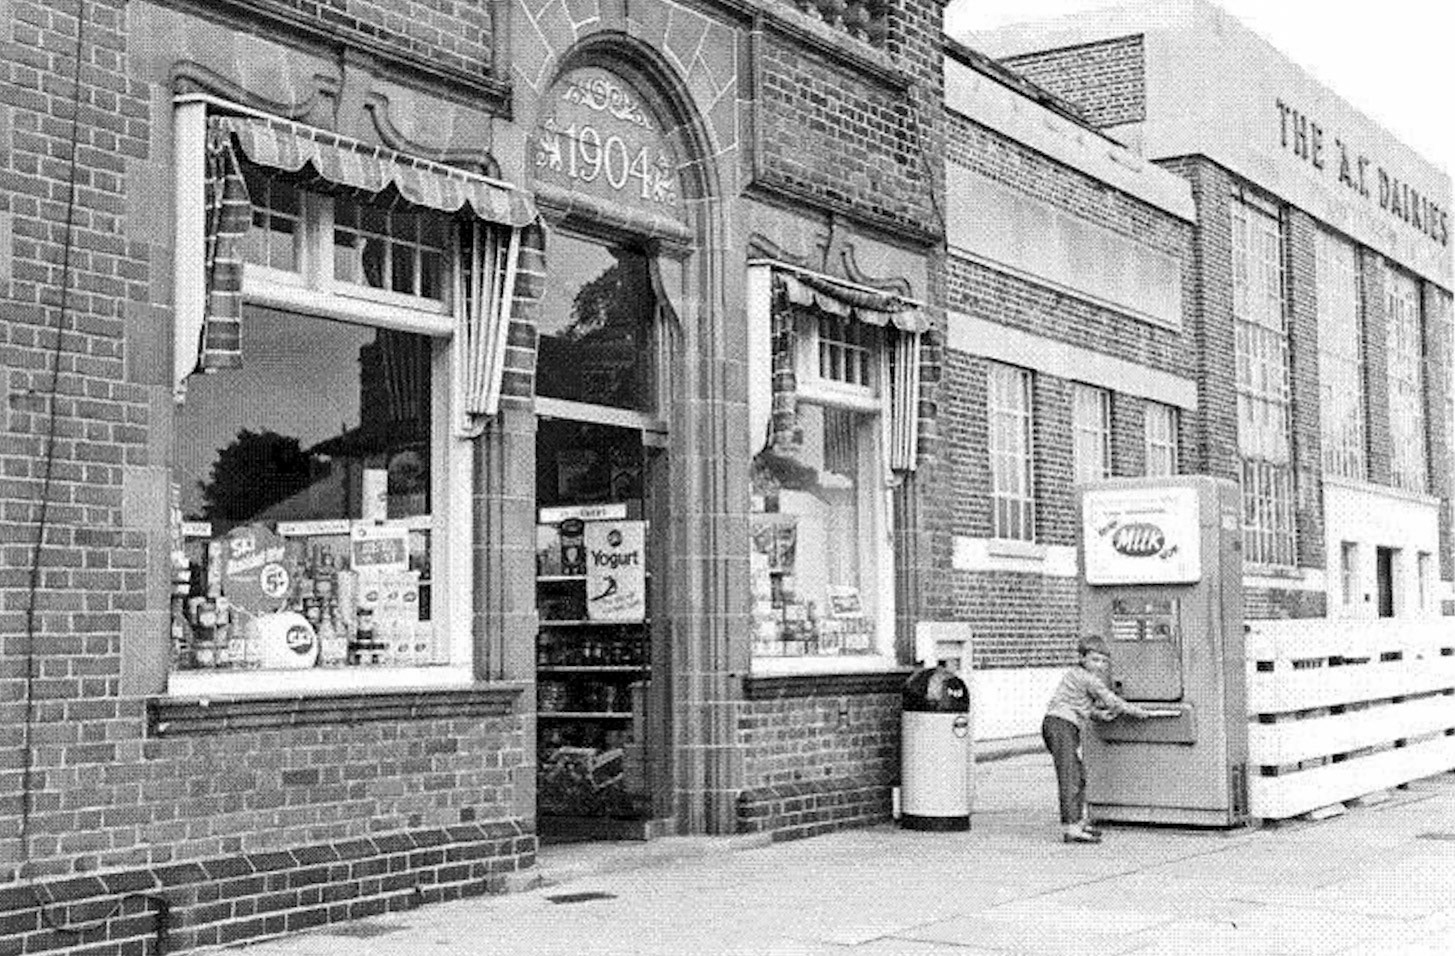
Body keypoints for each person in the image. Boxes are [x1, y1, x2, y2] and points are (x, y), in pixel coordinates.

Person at [1042, 635, 1154, 844]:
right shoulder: (1088, 679)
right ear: (1082, 658)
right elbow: (1110, 699)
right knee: (1071, 777)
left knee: (1077, 773)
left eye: (1103, 661)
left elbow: (1077, 704)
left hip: (1058, 724)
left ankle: (1077, 821)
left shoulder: (1075, 675)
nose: (1100, 665)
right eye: (1095, 660)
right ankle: (1072, 827)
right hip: (1062, 726)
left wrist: (1097, 715)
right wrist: (1135, 711)